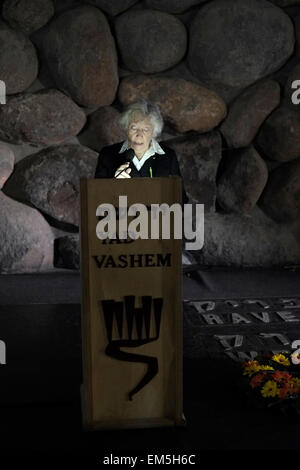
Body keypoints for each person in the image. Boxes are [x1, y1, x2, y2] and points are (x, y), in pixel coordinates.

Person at [94, 99, 188, 203]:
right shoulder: (108, 154)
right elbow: (96, 201)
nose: (139, 134)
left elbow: (181, 200)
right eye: (134, 128)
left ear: (154, 132)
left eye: (146, 130)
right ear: (126, 128)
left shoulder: (168, 156)